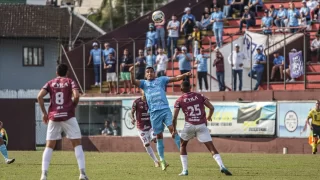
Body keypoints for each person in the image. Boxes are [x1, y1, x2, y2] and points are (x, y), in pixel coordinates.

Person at [129, 65, 192, 171]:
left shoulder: (161, 80)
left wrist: (185, 75)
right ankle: (162, 160)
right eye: (147, 72)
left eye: (151, 72)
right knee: (159, 136)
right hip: (154, 113)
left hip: (165, 110)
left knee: (173, 129)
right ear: (145, 74)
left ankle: (182, 154)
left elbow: (175, 78)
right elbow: (133, 82)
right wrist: (131, 73)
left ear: (155, 73)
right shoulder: (144, 83)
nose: (149, 73)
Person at [37, 64, 88, 180]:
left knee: (49, 146)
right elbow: (76, 95)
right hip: (68, 116)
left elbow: (39, 96)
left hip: (53, 116)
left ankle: (43, 175)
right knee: (77, 143)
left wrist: (45, 113)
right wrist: (73, 106)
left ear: (56, 73)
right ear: (67, 72)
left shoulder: (50, 83)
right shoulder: (70, 81)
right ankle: (82, 174)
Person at [172, 81, 232, 176]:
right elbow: (211, 108)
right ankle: (222, 166)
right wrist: (209, 117)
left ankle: (185, 170)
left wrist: (174, 130)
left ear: (181, 89)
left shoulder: (179, 100)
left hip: (189, 125)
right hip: (201, 125)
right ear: (190, 87)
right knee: (211, 147)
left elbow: (174, 117)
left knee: (183, 145)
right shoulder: (199, 95)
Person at [131, 90, 159, 167]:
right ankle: (156, 161)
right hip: (141, 128)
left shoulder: (151, 101)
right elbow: (132, 112)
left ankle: (162, 158)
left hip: (150, 126)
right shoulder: (136, 102)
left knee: (155, 139)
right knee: (146, 144)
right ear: (142, 92)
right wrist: (132, 118)